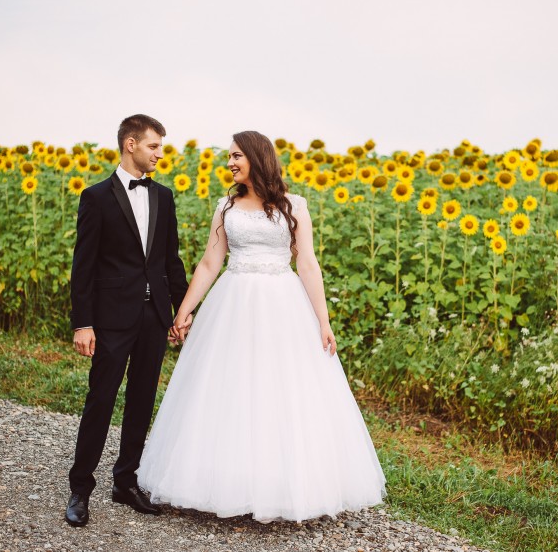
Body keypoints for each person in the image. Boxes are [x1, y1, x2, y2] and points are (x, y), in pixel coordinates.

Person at [137, 130, 386, 522]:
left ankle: (279, 484)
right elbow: (208, 263)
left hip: (282, 306)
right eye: (228, 157)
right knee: (229, 388)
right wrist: (184, 310)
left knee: (281, 390)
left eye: (236, 156)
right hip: (232, 302)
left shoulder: (294, 206)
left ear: (257, 157)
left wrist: (323, 320)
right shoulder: (225, 206)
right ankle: (225, 481)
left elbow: (307, 264)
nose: (230, 163)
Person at [65, 114, 189, 527]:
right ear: (131, 143)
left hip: (154, 319)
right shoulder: (96, 197)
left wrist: (182, 311)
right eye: (154, 146)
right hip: (111, 319)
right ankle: (80, 488)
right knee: (100, 400)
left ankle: (125, 482)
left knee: (141, 402)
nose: (159, 154)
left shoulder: (165, 197)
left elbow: (170, 260)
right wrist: (83, 323)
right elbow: (83, 268)